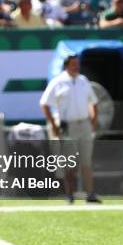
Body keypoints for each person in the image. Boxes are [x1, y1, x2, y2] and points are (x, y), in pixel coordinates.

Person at [40, 55, 101, 203]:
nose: (77, 66)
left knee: (87, 161)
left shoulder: (83, 80)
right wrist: (54, 125)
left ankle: (90, 194)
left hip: (84, 124)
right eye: (73, 64)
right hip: (68, 126)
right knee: (70, 162)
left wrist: (93, 121)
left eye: (78, 64)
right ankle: (69, 194)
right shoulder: (58, 82)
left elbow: (93, 102)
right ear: (66, 66)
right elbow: (44, 103)